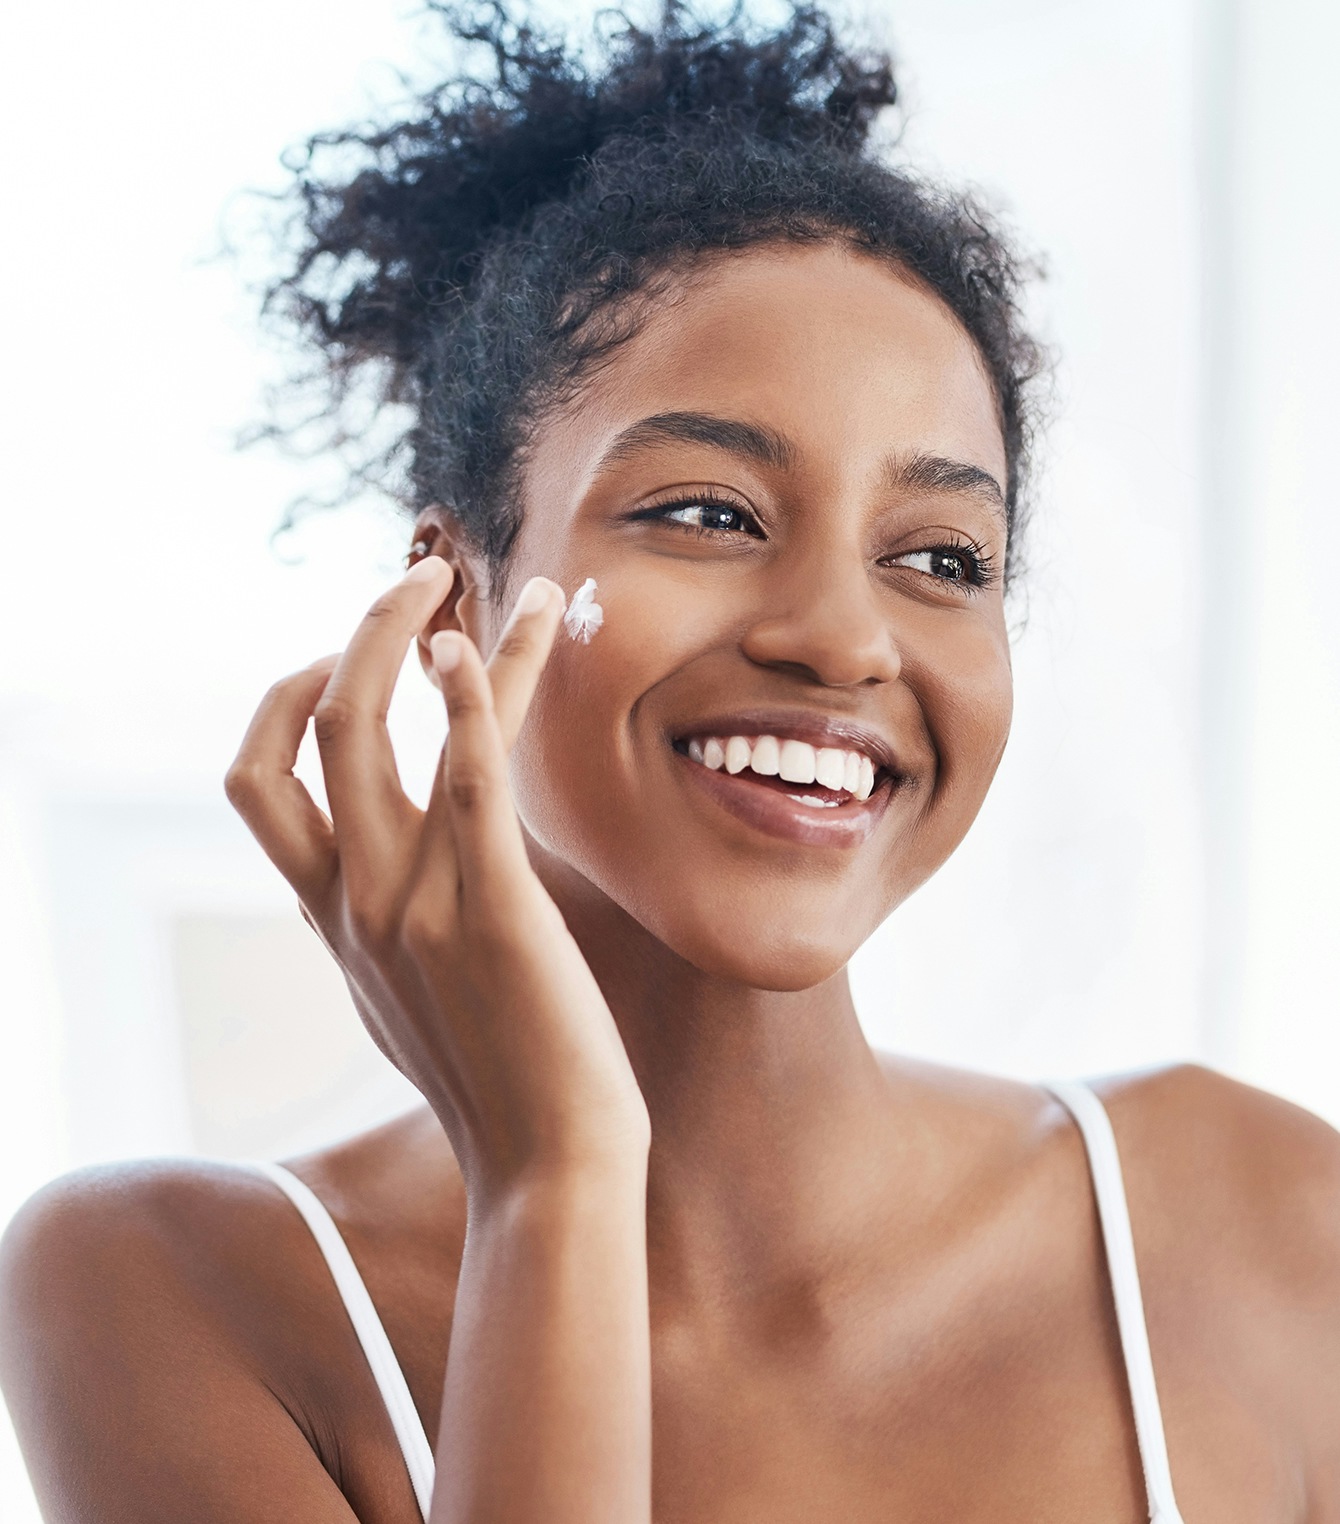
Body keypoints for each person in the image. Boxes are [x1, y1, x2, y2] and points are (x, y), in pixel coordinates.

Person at [3, 5, 1338, 1521]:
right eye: (709, 513)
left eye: (943, 555)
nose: (844, 639)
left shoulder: (1265, 1224)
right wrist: (555, 1183)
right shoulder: (171, 1292)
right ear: (458, 589)